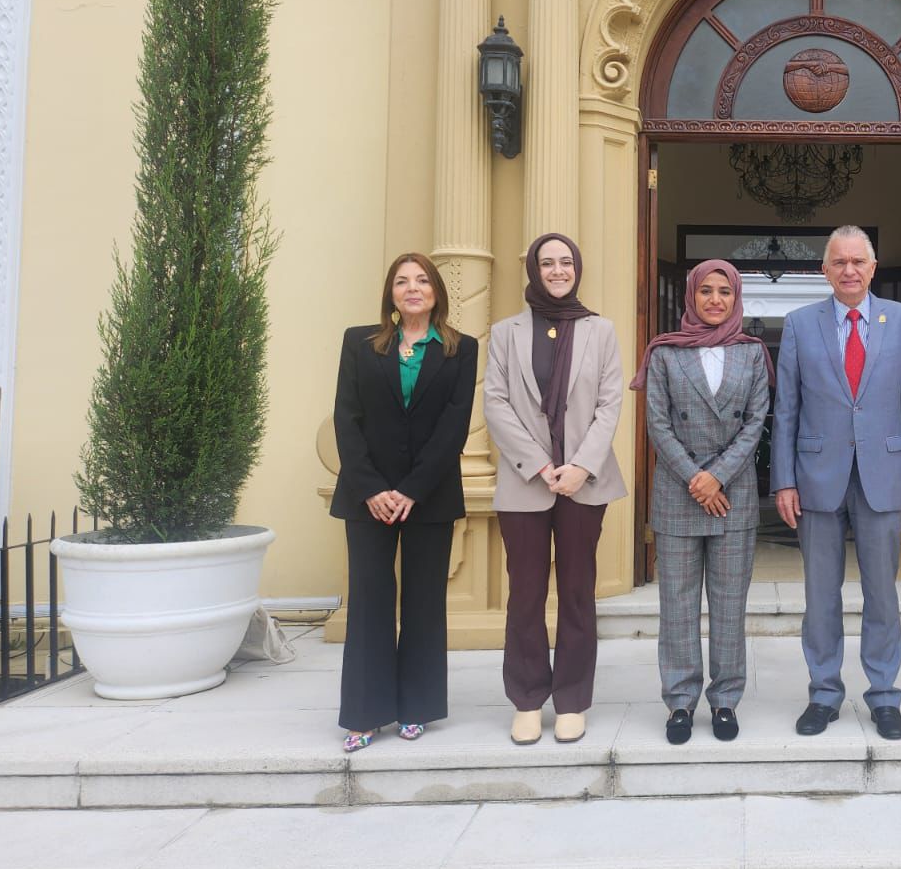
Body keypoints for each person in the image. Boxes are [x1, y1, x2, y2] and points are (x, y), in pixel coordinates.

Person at [771, 224, 901, 741]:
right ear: (825, 270)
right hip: (817, 477)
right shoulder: (799, 324)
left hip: (885, 475)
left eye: (857, 261)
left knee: (882, 593)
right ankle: (824, 693)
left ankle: (884, 695)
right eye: (839, 262)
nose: (849, 270)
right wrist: (783, 481)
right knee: (821, 595)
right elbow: (786, 408)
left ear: (873, 267)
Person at [331, 253, 478, 753]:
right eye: (402, 281)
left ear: (436, 292)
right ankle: (365, 713)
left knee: (423, 601)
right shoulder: (359, 342)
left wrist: (412, 488)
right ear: (390, 294)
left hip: (429, 496)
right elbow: (346, 418)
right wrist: (372, 488)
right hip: (366, 497)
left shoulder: (461, 349)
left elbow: (454, 426)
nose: (412, 288)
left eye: (422, 280)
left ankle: (417, 706)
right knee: (369, 602)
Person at [485, 233, 626, 746]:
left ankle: (571, 700)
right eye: (547, 263)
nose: (558, 270)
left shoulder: (601, 331)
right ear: (534, 270)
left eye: (566, 262)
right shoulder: (505, 332)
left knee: (577, 592)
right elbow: (495, 403)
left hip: (584, 484)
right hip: (526, 481)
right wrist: (541, 465)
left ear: (577, 268)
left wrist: (581, 466)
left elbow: (610, 403)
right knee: (524, 594)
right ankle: (526, 699)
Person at [631, 259, 773, 744]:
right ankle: (680, 701)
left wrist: (717, 477)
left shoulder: (751, 353)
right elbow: (657, 424)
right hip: (678, 494)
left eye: (725, 291)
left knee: (730, 607)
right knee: (677, 605)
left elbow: (755, 422)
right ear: (691, 295)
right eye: (706, 290)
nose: (715, 299)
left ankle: (726, 699)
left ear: (736, 299)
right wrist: (697, 478)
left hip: (733, 497)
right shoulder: (665, 353)